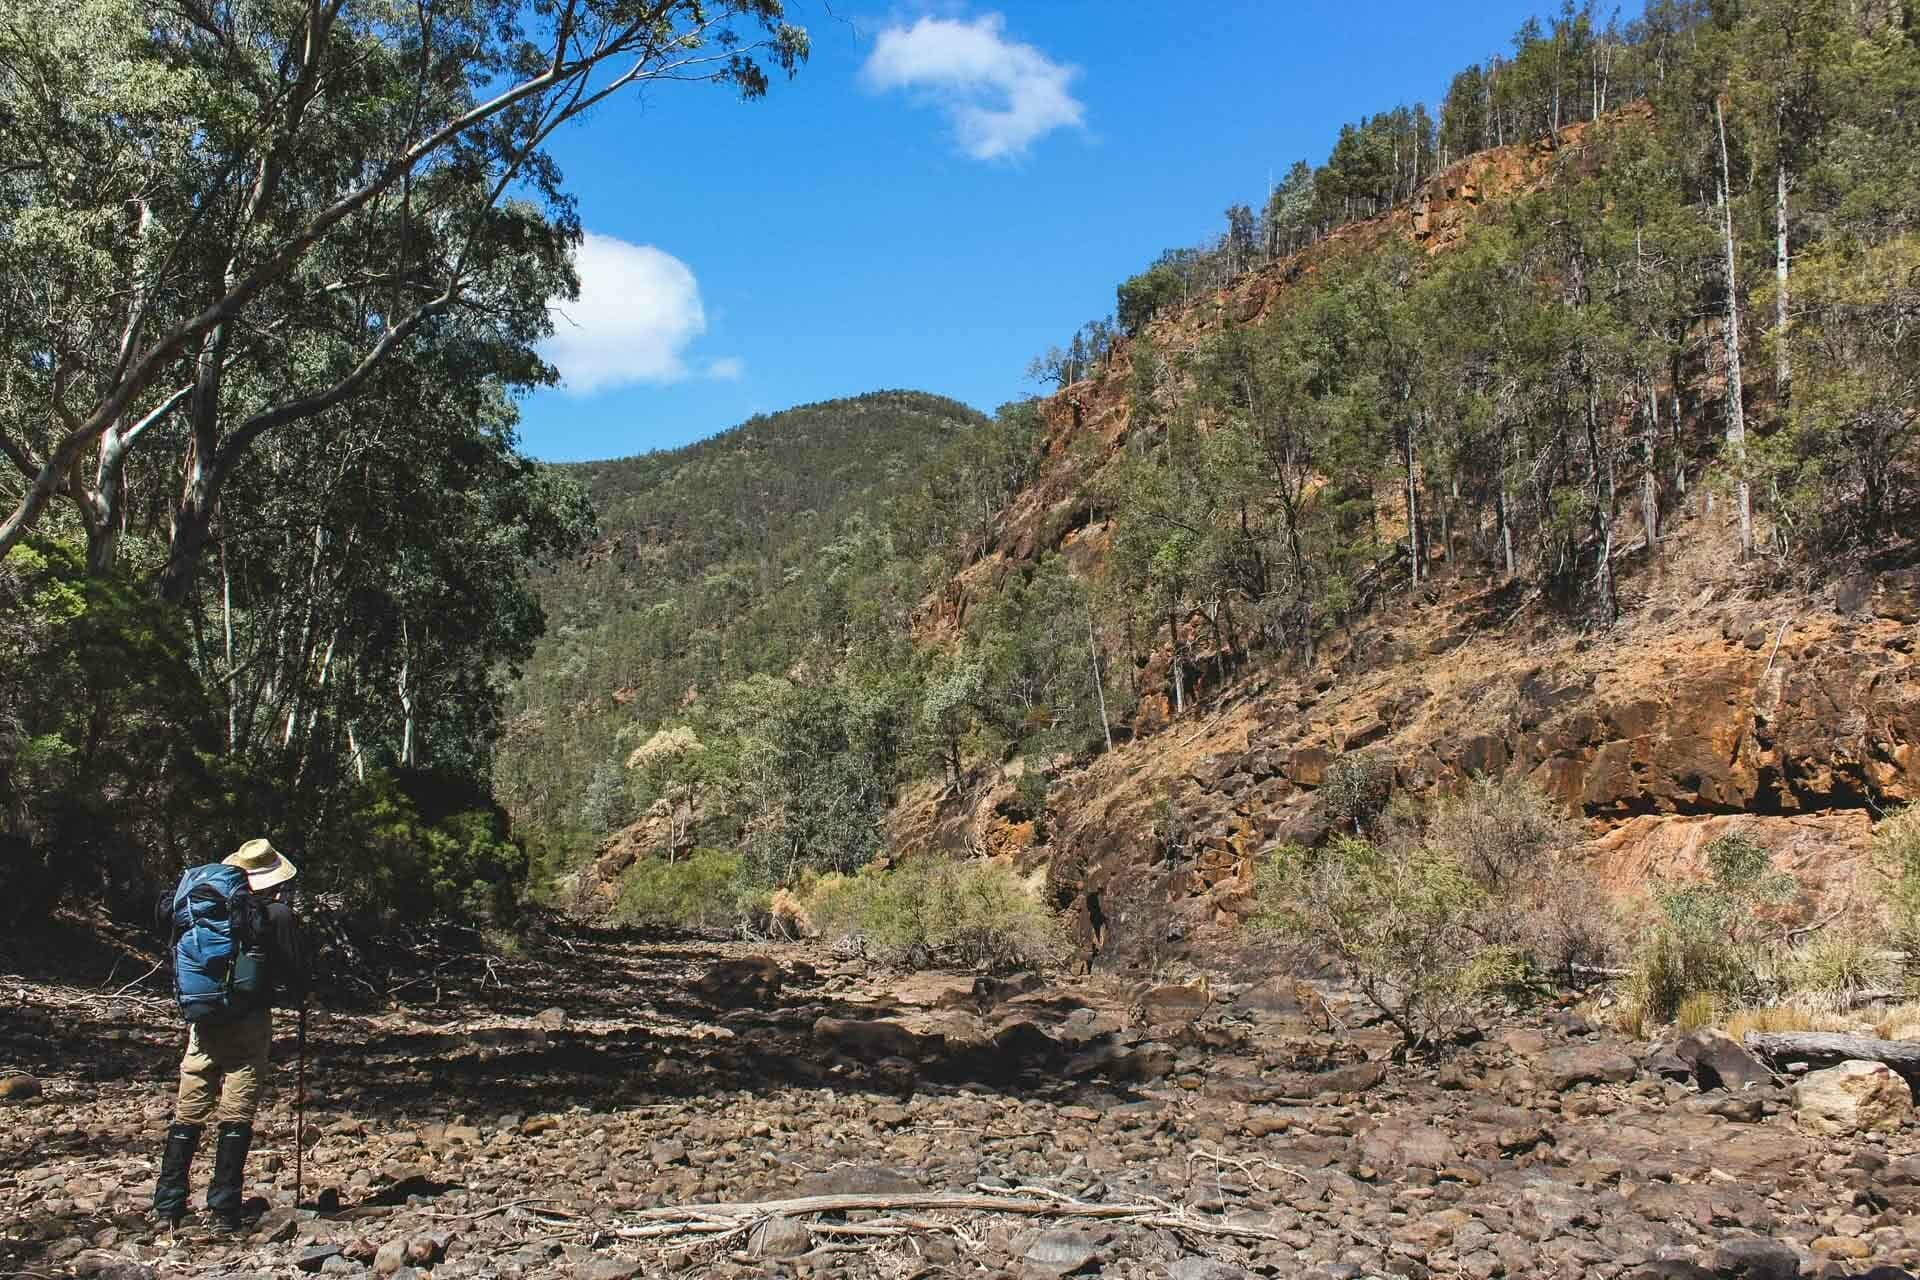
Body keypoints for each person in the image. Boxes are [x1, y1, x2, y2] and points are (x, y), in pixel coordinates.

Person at [152, 838, 310, 1232]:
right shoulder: (275, 914)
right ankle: (223, 1210)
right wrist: (304, 997)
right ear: (274, 878)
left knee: (188, 1112)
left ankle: (168, 1205)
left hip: (201, 1020)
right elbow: (294, 969)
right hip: (248, 1021)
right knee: (236, 1113)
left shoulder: (203, 909)